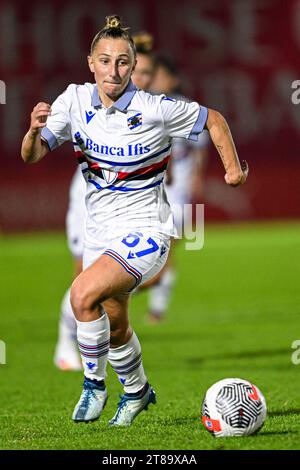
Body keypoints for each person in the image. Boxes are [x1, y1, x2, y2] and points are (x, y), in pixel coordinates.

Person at [21, 15, 248, 427]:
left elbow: (214, 119)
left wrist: (232, 170)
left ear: (133, 66)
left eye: (123, 62)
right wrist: (34, 132)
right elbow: (33, 155)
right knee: (116, 323)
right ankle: (138, 390)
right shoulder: (72, 101)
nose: (114, 71)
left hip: (148, 230)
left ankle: (94, 384)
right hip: (100, 231)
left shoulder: (154, 108)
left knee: (81, 295)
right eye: (105, 61)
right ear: (90, 62)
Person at [53, 31, 158, 370]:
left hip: (133, 210)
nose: (137, 77)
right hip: (91, 201)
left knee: (107, 289)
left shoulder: (151, 108)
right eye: (107, 62)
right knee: (83, 281)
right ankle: (66, 342)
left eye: (137, 70)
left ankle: (118, 368)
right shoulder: (84, 99)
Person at [143, 56, 209, 323]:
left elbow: (201, 145)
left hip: (179, 180)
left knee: (168, 242)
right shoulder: (143, 105)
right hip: (151, 181)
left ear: (173, 79)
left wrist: (196, 176)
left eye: (159, 75)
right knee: (153, 244)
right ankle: (140, 294)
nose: (155, 80)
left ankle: (157, 307)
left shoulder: (185, 108)